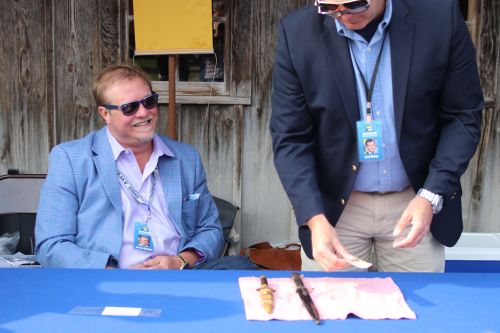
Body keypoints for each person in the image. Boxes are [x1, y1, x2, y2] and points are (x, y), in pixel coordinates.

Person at [270, 0, 483, 272]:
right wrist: (313, 217)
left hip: (415, 200)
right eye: (330, 7)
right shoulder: (297, 33)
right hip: (336, 210)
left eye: (354, 4)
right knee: (331, 310)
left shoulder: (439, 20)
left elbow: (463, 115)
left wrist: (431, 195)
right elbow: (290, 137)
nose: (343, 14)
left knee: (417, 310)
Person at [35, 63, 256, 270]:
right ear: (105, 114)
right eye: (129, 107)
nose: (143, 113)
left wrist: (179, 261)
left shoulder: (186, 158)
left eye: (148, 101)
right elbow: (51, 244)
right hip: (105, 279)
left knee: (241, 266)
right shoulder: (72, 159)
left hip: (177, 275)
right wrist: (112, 273)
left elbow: (210, 229)